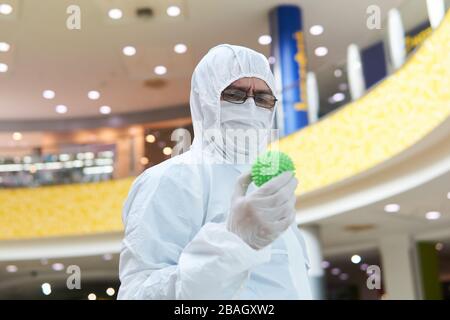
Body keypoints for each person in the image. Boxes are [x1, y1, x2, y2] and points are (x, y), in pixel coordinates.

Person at [117, 44, 312, 299]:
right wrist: (232, 244)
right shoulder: (170, 179)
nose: (251, 107)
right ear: (205, 97)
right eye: (234, 94)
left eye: (263, 98)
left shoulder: (265, 184)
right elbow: (139, 294)